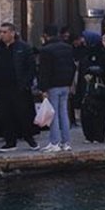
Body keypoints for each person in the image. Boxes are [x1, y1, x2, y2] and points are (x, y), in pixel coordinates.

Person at [37, 24, 76, 152]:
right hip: (65, 84)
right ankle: (66, 142)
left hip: (53, 86)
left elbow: (44, 71)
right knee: (64, 113)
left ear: (45, 35)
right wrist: (70, 83)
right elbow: (72, 66)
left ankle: (54, 142)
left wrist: (43, 89)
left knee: (53, 114)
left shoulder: (46, 50)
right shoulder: (68, 47)